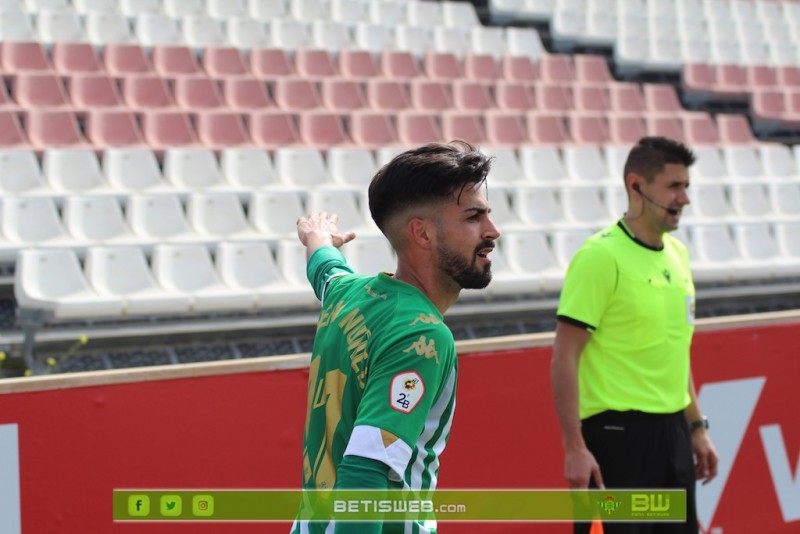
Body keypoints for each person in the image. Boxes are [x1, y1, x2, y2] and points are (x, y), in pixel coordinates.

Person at [290, 141, 501, 534]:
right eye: (474, 217)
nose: (493, 231)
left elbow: (325, 270)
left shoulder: (346, 294)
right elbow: (367, 472)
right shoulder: (421, 335)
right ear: (421, 233)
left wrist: (318, 238)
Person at [550, 136, 719, 533]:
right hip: (615, 438)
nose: (685, 199)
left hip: (673, 433)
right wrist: (574, 447)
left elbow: (676, 354)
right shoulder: (600, 256)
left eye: (687, 187)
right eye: (674, 187)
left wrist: (696, 428)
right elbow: (564, 357)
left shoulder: (679, 255)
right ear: (637, 186)